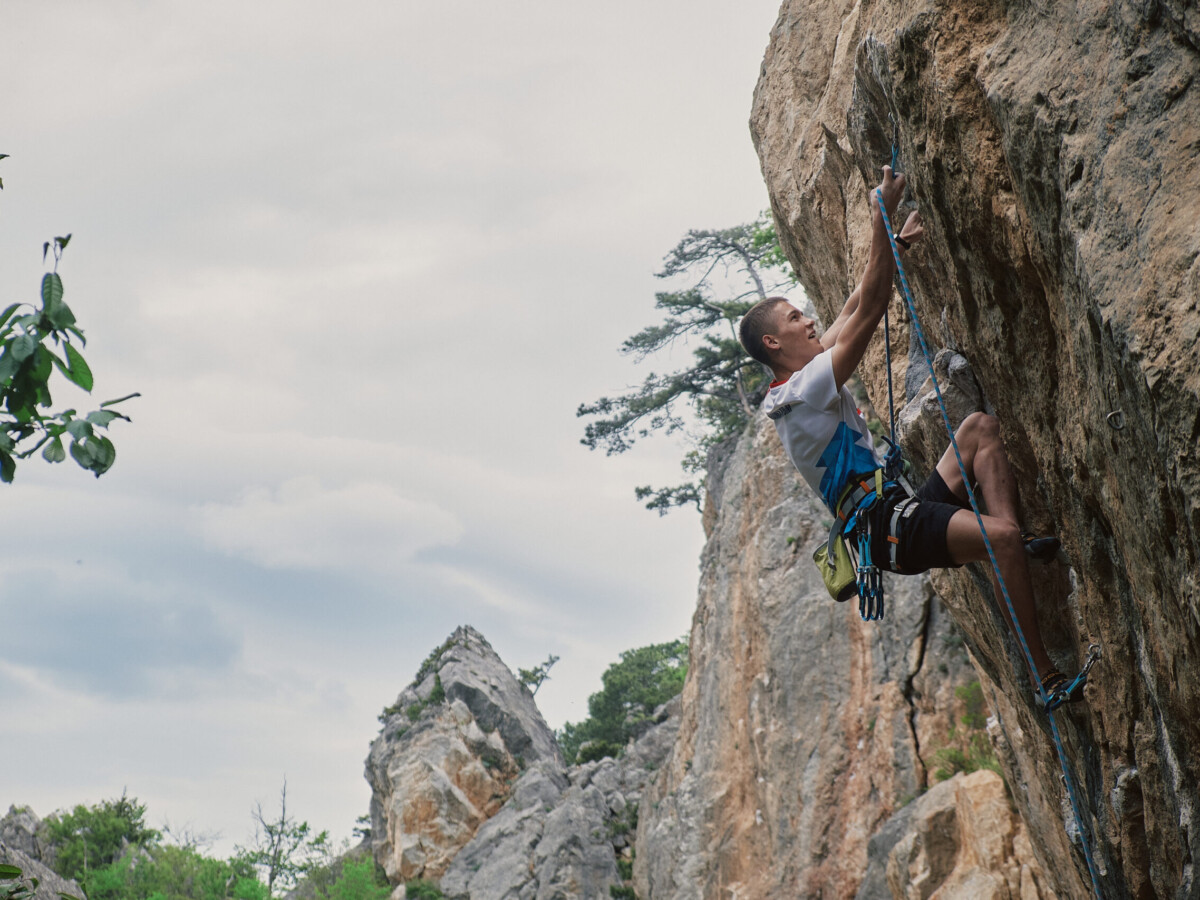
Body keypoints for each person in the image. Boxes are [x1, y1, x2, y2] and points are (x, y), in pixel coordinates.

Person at [738, 166, 1079, 705]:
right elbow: (870, 312)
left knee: (979, 430)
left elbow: (851, 306)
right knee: (1003, 541)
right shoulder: (803, 392)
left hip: (896, 512)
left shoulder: (797, 381)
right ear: (775, 343)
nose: (809, 322)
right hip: (889, 531)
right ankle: (1044, 679)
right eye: (796, 317)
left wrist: (892, 243)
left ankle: (1010, 545)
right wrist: (881, 215)